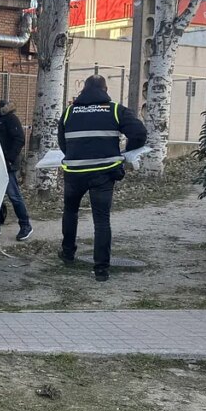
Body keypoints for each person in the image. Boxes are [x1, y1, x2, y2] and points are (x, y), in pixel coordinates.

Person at [58, 74, 146, 281]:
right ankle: (101, 270)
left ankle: (68, 253)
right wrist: (126, 153)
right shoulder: (115, 110)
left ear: (83, 91)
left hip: (75, 172)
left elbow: (63, 144)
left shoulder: (69, 112)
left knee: (70, 211)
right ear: (105, 90)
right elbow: (139, 133)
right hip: (103, 174)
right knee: (101, 220)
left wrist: (77, 156)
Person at [0, 93, 33, 240]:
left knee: (14, 195)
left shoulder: (9, 118)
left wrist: (9, 158)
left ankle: (25, 225)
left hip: (8, 164)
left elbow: (19, 139)